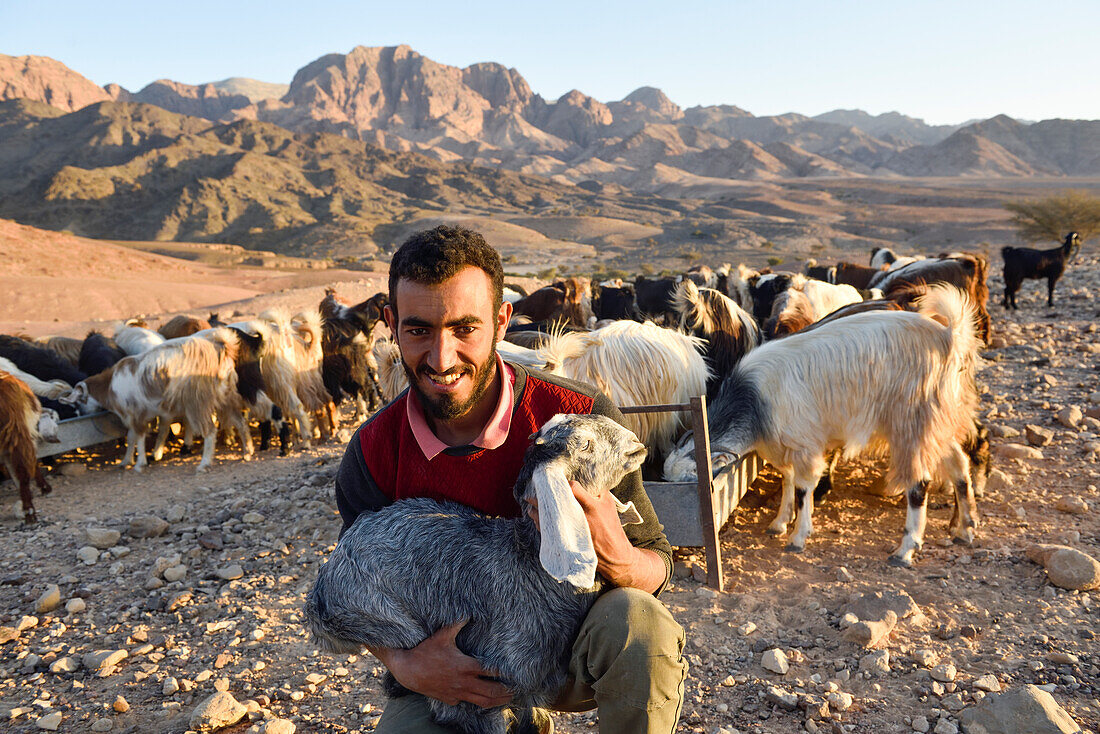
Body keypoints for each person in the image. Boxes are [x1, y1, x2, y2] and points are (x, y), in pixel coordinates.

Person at [334, 225, 687, 733]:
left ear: (501, 322)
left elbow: (659, 564)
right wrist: (406, 665)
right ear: (390, 324)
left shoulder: (579, 418)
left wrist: (620, 555)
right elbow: (357, 585)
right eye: (418, 330)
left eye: (464, 329)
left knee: (641, 625)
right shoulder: (373, 452)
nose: (441, 358)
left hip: (566, 649)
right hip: (456, 676)